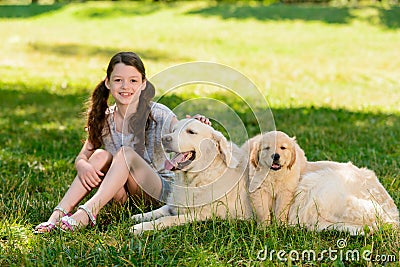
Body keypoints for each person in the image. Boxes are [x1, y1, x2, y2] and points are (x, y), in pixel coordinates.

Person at [34, 52, 210, 232]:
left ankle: (87, 212)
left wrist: (195, 123)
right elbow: (82, 156)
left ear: (143, 84)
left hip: (158, 192)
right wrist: (82, 165)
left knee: (126, 154)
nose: (126, 86)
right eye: (118, 80)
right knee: (99, 155)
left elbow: (181, 131)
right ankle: (55, 217)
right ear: (108, 83)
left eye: (133, 81)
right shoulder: (104, 119)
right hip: (122, 197)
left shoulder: (159, 114)